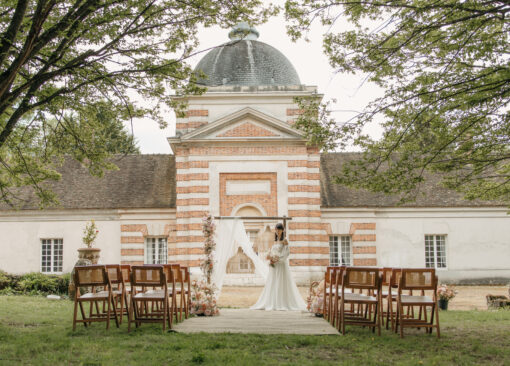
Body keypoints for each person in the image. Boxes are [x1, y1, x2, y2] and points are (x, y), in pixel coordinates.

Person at [250, 222, 307, 311]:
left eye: (279, 229)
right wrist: (270, 257)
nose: (277, 231)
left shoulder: (285, 240)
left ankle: (282, 303)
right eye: (276, 229)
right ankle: (273, 302)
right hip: (274, 265)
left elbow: (286, 253)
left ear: (282, 230)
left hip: (281, 264)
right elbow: (271, 251)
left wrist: (278, 259)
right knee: (273, 282)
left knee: (281, 282)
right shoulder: (275, 241)